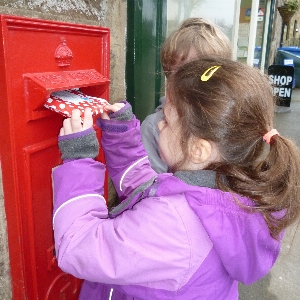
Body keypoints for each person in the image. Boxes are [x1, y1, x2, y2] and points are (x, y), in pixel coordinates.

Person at [52, 57, 300, 300]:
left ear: (198, 149)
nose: (158, 125)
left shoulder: (174, 225)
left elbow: (78, 247)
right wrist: (122, 138)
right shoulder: (223, 196)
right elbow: (147, 190)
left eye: (167, 120)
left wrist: (80, 161)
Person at [141, 17, 232, 173]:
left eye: (199, 75)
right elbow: (149, 186)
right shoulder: (155, 127)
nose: (186, 85)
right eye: (174, 75)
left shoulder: (231, 119)